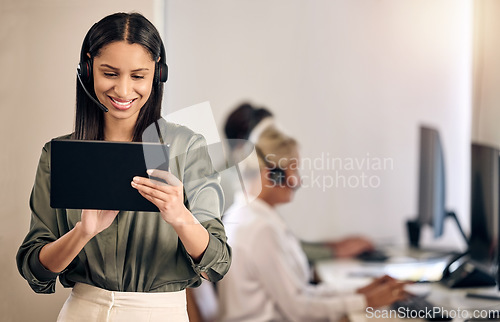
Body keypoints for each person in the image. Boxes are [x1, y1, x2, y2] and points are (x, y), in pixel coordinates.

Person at [16, 12, 231, 322]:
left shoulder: (187, 147)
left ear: (158, 74)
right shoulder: (57, 154)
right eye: (110, 73)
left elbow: (219, 263)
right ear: (88, 68)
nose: (123, 90)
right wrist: (82, 232)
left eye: (139, 76)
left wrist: (180, 217)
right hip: (83, 311)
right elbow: (35, 270)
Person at [217, 124, 406, 321]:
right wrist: (365, 302)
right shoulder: (258, 228)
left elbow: (301, 293)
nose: (298, 182)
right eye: (294, 171)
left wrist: (361, 292)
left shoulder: (248, 215)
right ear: (272, 174)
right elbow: (299, 309)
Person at [223, 102, 374, 262]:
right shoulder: (233, 188)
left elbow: (283, 243)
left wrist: (332, 245)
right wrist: (334, 252)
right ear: (241, 146)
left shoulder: (248, 191)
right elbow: (276, 249)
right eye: (267, 136)